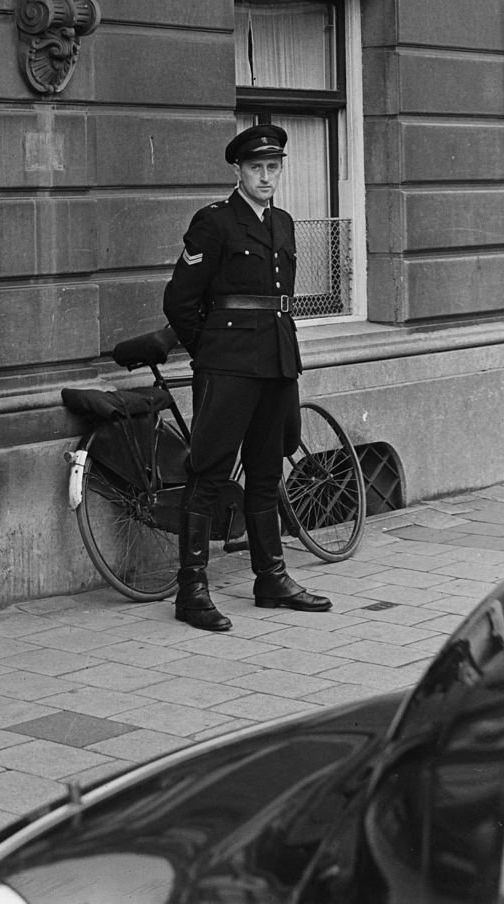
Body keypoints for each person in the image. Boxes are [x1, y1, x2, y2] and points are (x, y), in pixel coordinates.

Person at [162, 123, 332, 633]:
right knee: (210, 472)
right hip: (229, 366)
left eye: (273, 167)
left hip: (277, 363)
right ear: (238, 171)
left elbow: (281, 301)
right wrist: (210, 353)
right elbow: (179, 300)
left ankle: (271, 578)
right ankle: (191, 591)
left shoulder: (282, 221)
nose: (265, 176)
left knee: (265, 472)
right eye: (256, 168)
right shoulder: (214, 223)